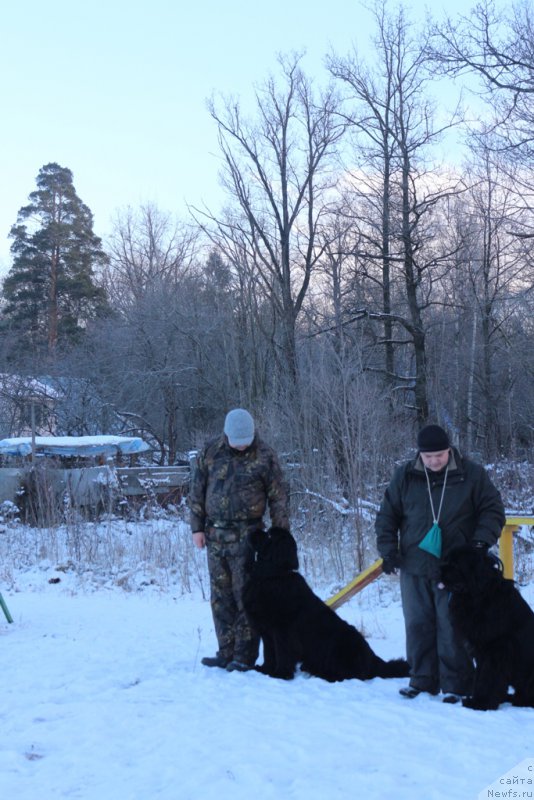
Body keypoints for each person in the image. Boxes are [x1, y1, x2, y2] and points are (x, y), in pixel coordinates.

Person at [375, 423, 506, 703]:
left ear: (449, 450)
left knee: (452, 626)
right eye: (428, 456)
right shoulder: (405, 476)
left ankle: (457, 684)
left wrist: (480, 543)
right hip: (414, 563)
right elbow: (388, 515)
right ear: (419, 454)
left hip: (456, 568)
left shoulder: (472, 475)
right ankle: (421, 679)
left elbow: (492, 509)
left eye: (440, 455)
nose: (434, 461)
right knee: (417, 624)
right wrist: (387, 551)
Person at [189, 408, 290, 673]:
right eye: (237, 441)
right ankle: (225, 652)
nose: (242, 445)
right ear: (227, 435)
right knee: (220, 598)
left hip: (250, 538)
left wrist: (280, 536)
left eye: (246, 440)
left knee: (247, 597)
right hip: (215, 537)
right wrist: (196, 529)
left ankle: (244, 657)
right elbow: (196, 491)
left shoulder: (265, 456)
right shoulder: (210, 453)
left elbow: (278, 497)